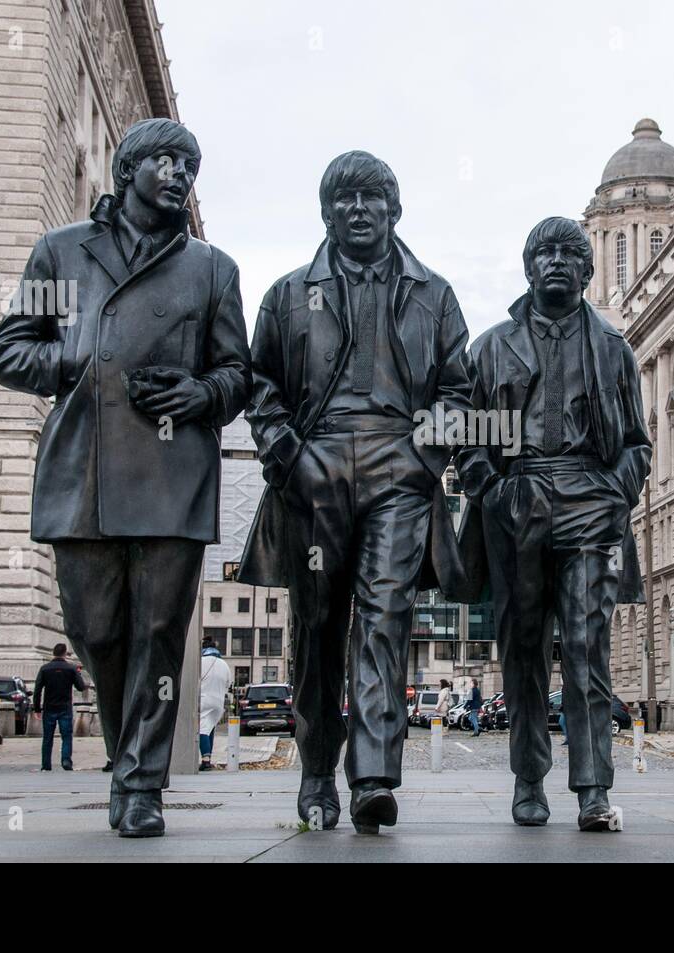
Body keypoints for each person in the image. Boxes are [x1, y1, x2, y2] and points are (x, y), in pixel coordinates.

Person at [0, 118, 251, 837]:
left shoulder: (212, 268)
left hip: (173, 472)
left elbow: (239, 375)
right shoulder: (62, 252)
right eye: (164, 160)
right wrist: (77, 360)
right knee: (97, 629)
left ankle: (140, 782)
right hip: (84, 468)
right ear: (127, 167)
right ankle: (126, 752)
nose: (178, 174)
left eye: (189, 165)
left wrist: (200, 395)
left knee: (161, 633)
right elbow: (8, 353)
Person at [237, 151, 472, 835]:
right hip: (315, 467)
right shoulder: (287, 294)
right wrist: (288, 456)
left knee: (383, 614)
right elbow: (261, 386)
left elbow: (459, 390)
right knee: (316, 627)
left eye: (373, 197)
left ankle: (371, 775)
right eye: (346, 199)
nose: (360, 209)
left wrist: (426, 454)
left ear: (395, 210)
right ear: (326, 212)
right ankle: (317, 771)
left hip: (399, 470)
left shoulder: (434, 294)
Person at [456, 216, 651, 831]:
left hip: (590, 502)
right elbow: (467, 437)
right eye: (546, 252)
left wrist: (614, 494)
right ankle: (529, 779)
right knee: (523, 647)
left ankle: (594, 788)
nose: (558, 261)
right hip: (518, 502)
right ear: (528, 267)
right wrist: (492, 489)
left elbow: (638, 446)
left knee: (588, 647)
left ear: (588, 271)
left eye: (571, 252)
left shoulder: (614, 349)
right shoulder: (490, 348)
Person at [33, 643, 86, 771]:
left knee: (47, 737)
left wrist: (37, 709)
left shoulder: (45, 669)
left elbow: (37, 690)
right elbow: (81, 686)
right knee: (66, 736)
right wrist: (78, 674)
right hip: (65, 707)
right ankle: (66, 760)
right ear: (65, 653)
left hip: (49, 706)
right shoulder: (71, 668)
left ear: (53, 653)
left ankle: (46, 764)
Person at [198, 636, 232, 771]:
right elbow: (228, 684)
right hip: (218, 702)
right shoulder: (224, 664)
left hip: (204, 699)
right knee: (210, 728)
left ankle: (206, 762)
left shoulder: (201, 661)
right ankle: (209, 758)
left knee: (202, 730)